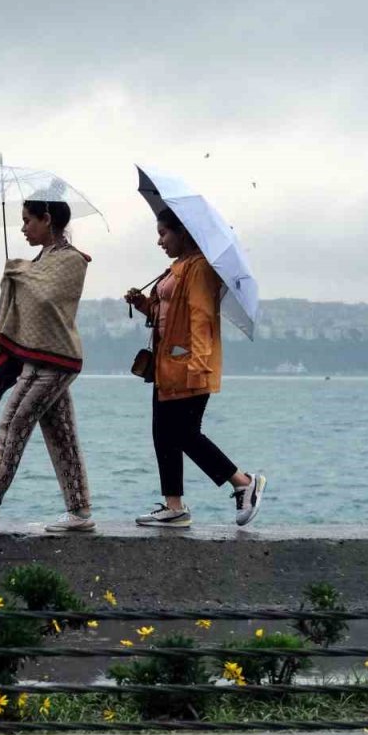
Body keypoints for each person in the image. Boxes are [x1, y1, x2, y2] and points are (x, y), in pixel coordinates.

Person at [0, 199, 94, 532]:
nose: (23, 228)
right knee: (62, 435)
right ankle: (80, 512)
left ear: (47, 219)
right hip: (44, 360)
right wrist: (21, 272)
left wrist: (19, 271)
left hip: (50, 361)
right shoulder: (40, 261)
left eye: (28, 220)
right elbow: (34, 291)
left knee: (11, 427)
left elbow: (46, 295)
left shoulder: (71, 260)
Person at [124, 208, 265, 527]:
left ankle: (244, 483)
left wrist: (198, 364)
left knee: (185, 434)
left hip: (188, 364)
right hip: (167, 364)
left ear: (183, 232)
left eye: (163, 233)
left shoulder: (199, 267)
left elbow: (201, 318)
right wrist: (143, 304)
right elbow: (169, 315)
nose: (159, 241)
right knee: (163, 434)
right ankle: (174, 506)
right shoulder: (178, 266)